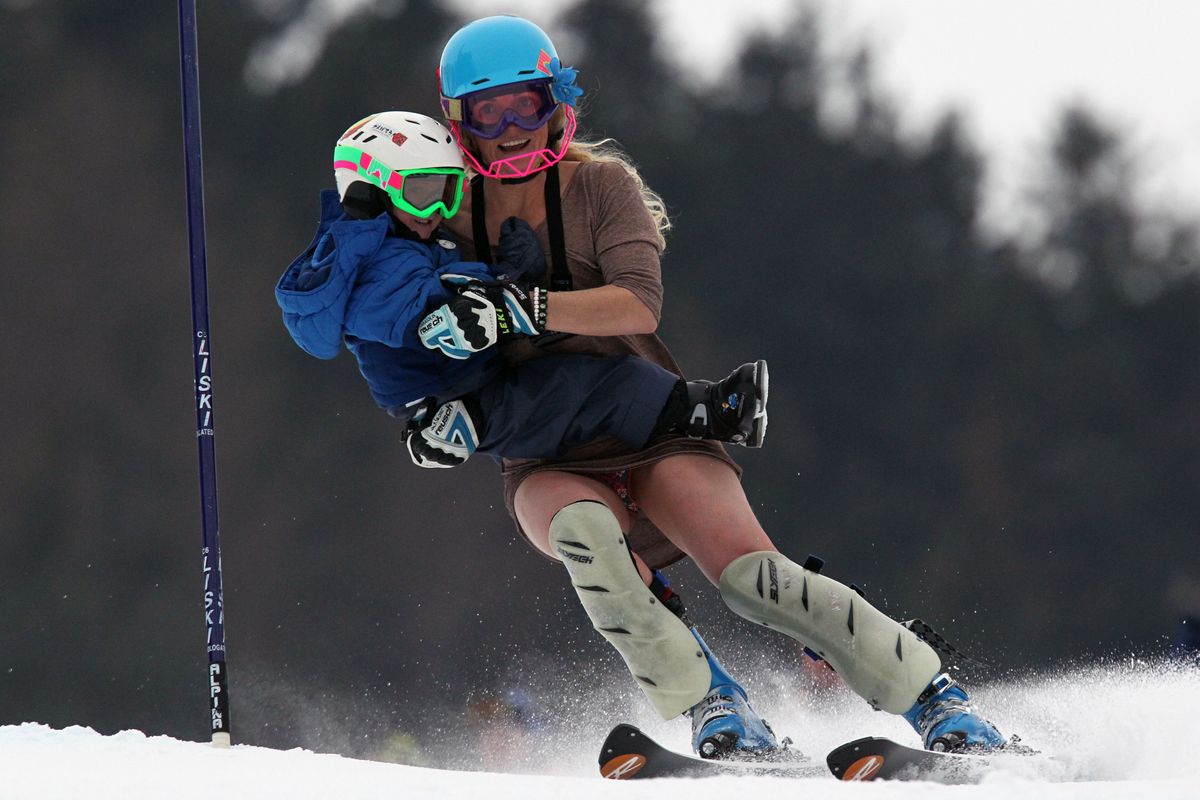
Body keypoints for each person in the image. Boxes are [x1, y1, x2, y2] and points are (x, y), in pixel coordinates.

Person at [434, 14, 1011, 759]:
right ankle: (717, 706)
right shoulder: (443, 212)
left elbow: (636, 303)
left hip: (650, 423)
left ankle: (939, 702)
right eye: (489, 112)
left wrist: (524, 310)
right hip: (543, 451)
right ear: (460, 122)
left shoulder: (601, 186)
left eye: (526, 105)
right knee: (590, 544)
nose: (511, 129)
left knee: (755, 580)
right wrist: (423, 413)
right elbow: (385, 316)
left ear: (556, 105)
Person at [275, 111, 769, 470]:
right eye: (422, 194)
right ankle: (708, 411)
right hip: (449, 393)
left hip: (471, 376)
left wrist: (507, 279)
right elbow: (419, 312)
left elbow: (454, 293)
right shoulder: (364, 263)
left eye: (448, 193)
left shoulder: (402, 241)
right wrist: (496, 287)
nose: (437, 212)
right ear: (369, 190)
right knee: (590, 388)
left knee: (584, 379)